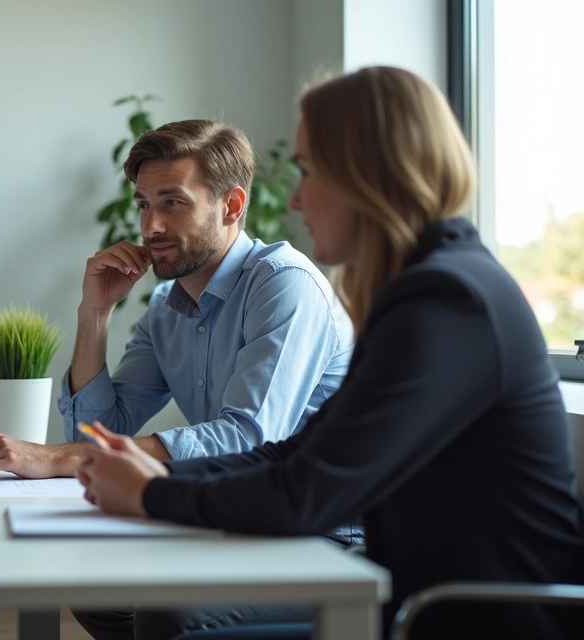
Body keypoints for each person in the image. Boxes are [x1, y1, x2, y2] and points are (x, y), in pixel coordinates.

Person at [78, 67, 584, 640]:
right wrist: (155, 474)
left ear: (371, 176)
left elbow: (308, 490)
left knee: (168, 616)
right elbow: (299, 453)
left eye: (308, 170)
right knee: (115, 596)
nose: (295, 197)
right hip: (426, 600)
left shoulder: (446, 299)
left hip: (473, 618)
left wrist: (152, 490)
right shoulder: (425, 287)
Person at [0, 120, 353, 483]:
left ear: (231, 206)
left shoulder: (285, 284)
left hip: (321, 530)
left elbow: (246, 441)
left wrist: (55, 457)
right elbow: (94, 437)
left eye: (172, 202)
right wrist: (95, 311)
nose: (150, 226)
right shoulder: (165, 309)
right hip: (235, 515)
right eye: (143, 204)